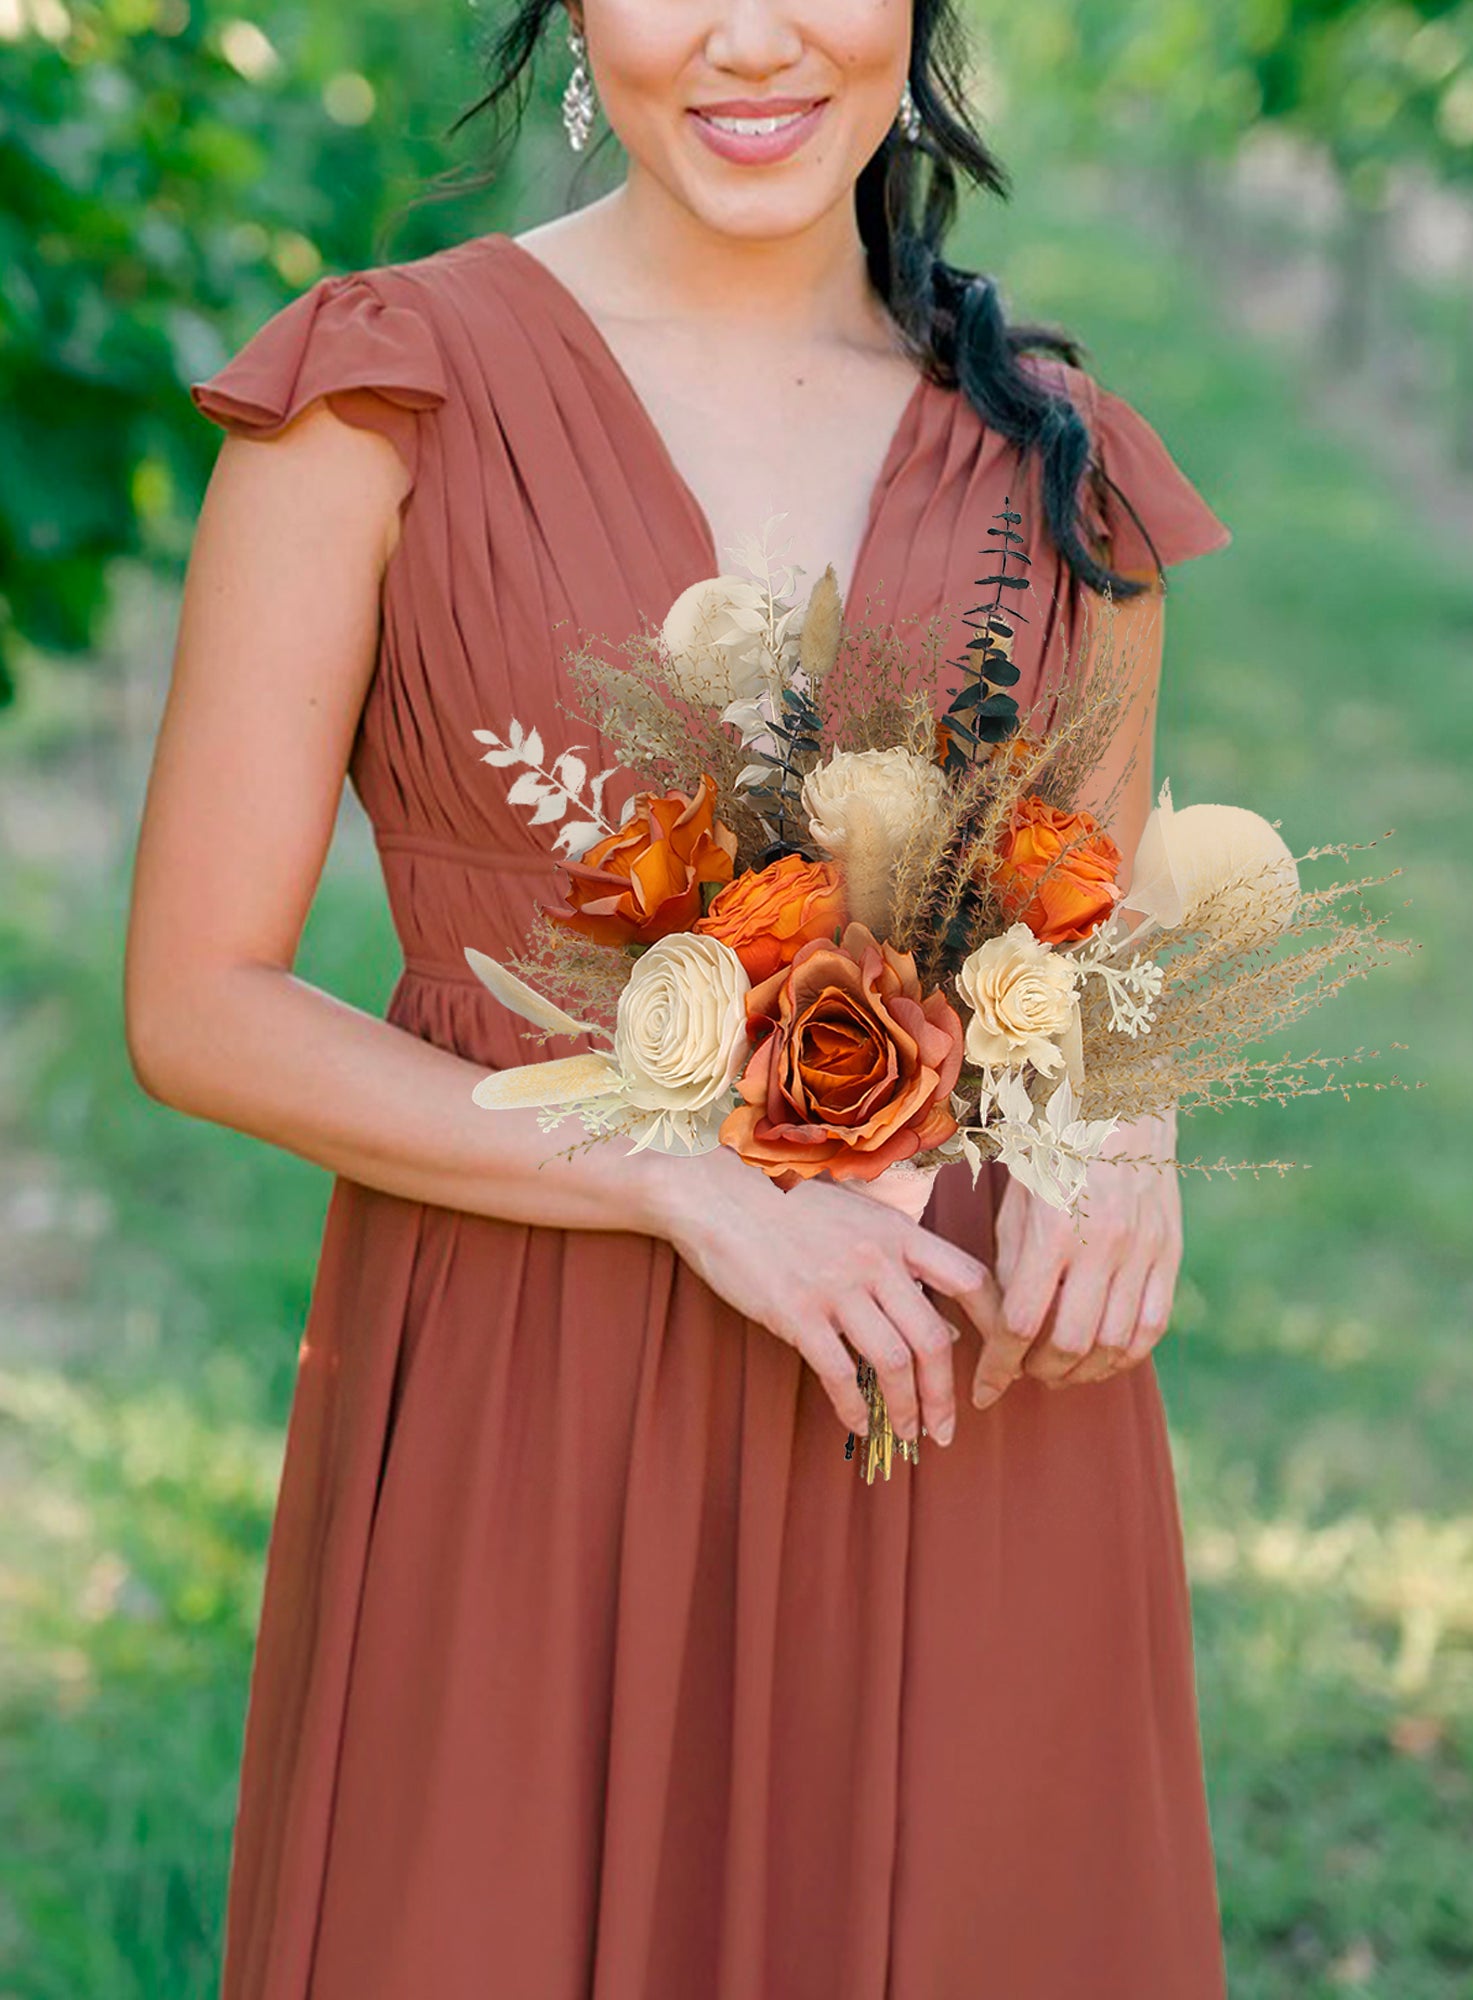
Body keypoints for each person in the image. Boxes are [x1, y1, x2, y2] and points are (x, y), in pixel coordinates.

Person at [124, 3, 1234, 1994]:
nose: (750, 38)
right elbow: (198, 1002)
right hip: (527, 1380)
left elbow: (1086, 932)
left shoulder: (1054, 442)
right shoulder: (387, 395)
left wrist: (1128, 1116)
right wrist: (678, 1183)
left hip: (955, 1396)